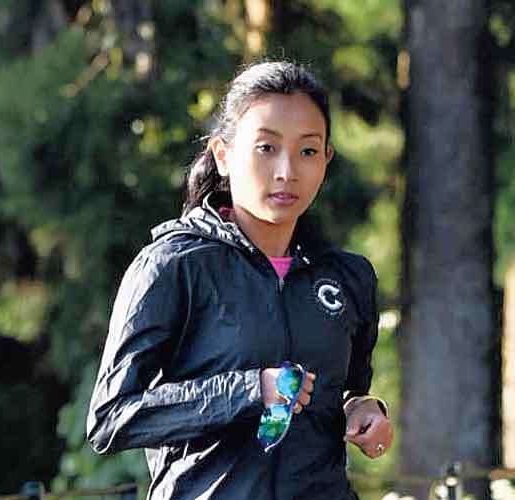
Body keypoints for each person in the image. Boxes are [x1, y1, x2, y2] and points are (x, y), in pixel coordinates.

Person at [86, 60, 394, 500]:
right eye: (266, 148)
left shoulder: (347, 277)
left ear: (326, 160)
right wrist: (249, 391)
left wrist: (362, 409)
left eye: (307, 151)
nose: (287, 171)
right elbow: (112, 418)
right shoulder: (174, 264)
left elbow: (346, 390)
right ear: (223, 154)